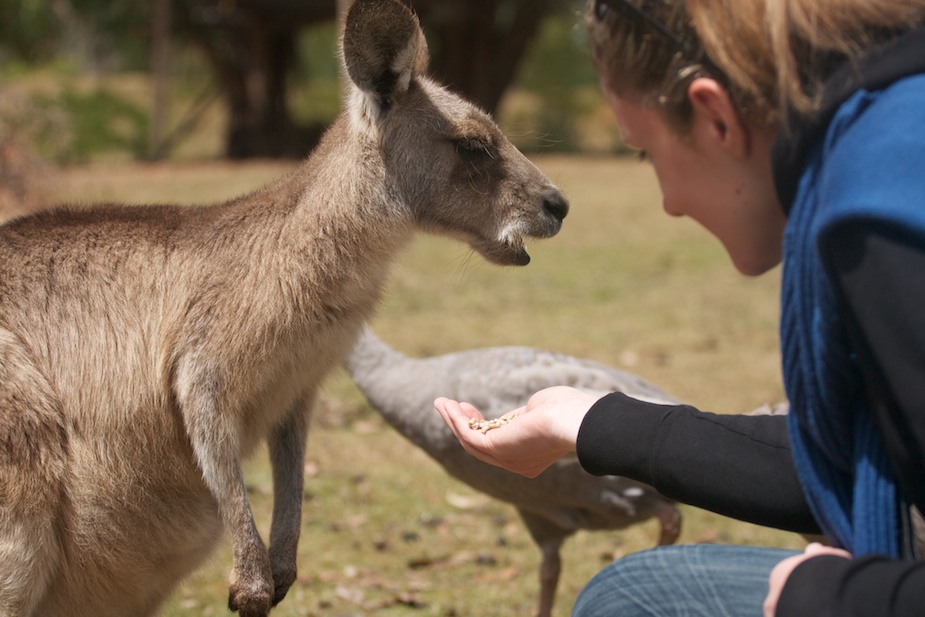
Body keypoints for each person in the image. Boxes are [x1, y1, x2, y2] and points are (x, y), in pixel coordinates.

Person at [434, 0, 925, 615]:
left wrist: (834, 599)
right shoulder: (885, 138)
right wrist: (584, 420)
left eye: (646, 153)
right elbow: (844, 459)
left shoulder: (881, 220)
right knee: (631, 593)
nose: (667, 203)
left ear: (714, 115)